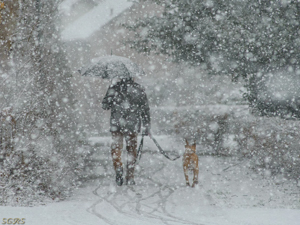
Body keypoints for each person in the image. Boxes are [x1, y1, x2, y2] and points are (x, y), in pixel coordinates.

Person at [102, 77, 151, 186]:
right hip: (132, 125)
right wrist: (146, 125)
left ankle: (118, 168)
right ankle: (130, 176)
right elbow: (145, 109)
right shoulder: (138, 89)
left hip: (117, 124)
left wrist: (110, 95)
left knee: (116, 149)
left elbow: (105, 106)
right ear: (132, 77)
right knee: (131, 150)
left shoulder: (114, 88)